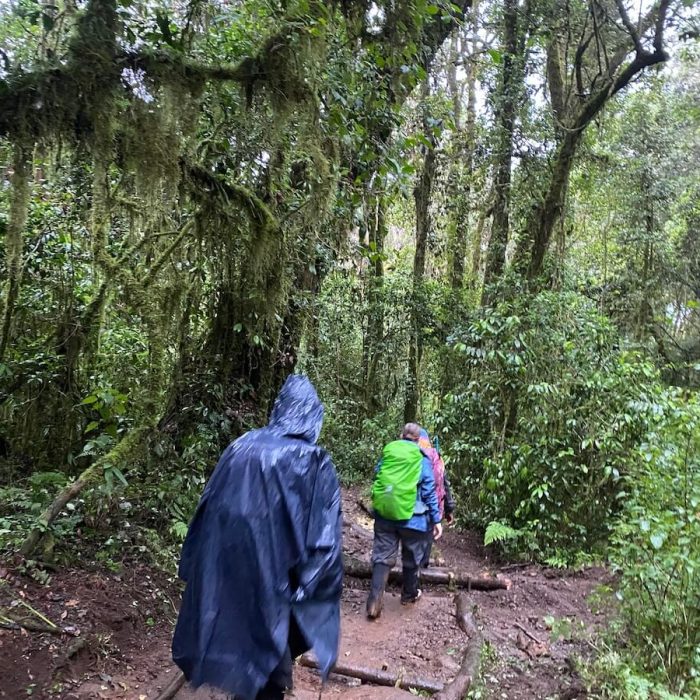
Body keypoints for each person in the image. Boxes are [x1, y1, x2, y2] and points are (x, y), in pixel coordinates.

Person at [172, 375, 343, 700]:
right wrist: (312, 590)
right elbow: (324, 544)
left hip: (227, 567)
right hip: (274, 578)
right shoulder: (314, 461)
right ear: (313, 415)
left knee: (244, 640)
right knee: (269, 657)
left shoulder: (240, 446)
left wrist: (196, 567)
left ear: (279, 410)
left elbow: (205, 510)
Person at [366, 422, 442, 619]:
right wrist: (437, 519)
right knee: (411, 558)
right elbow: (428, 491)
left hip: (386, 514)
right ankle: (408, 595)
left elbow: (378, 473)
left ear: (401, 435)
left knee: (382, 556)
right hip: (413, 519)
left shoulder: (390, 452)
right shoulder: (421, 458)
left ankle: (374, 601)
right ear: (418, 440)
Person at [417, 427, 455, 568]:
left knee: (412, 544)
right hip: (433, 508)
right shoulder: (437, 458)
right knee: (427, 540)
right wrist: (448, 510)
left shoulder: (412, 454)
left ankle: (411, 578)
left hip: (414, 506)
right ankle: (422, 569)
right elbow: (445, 486)